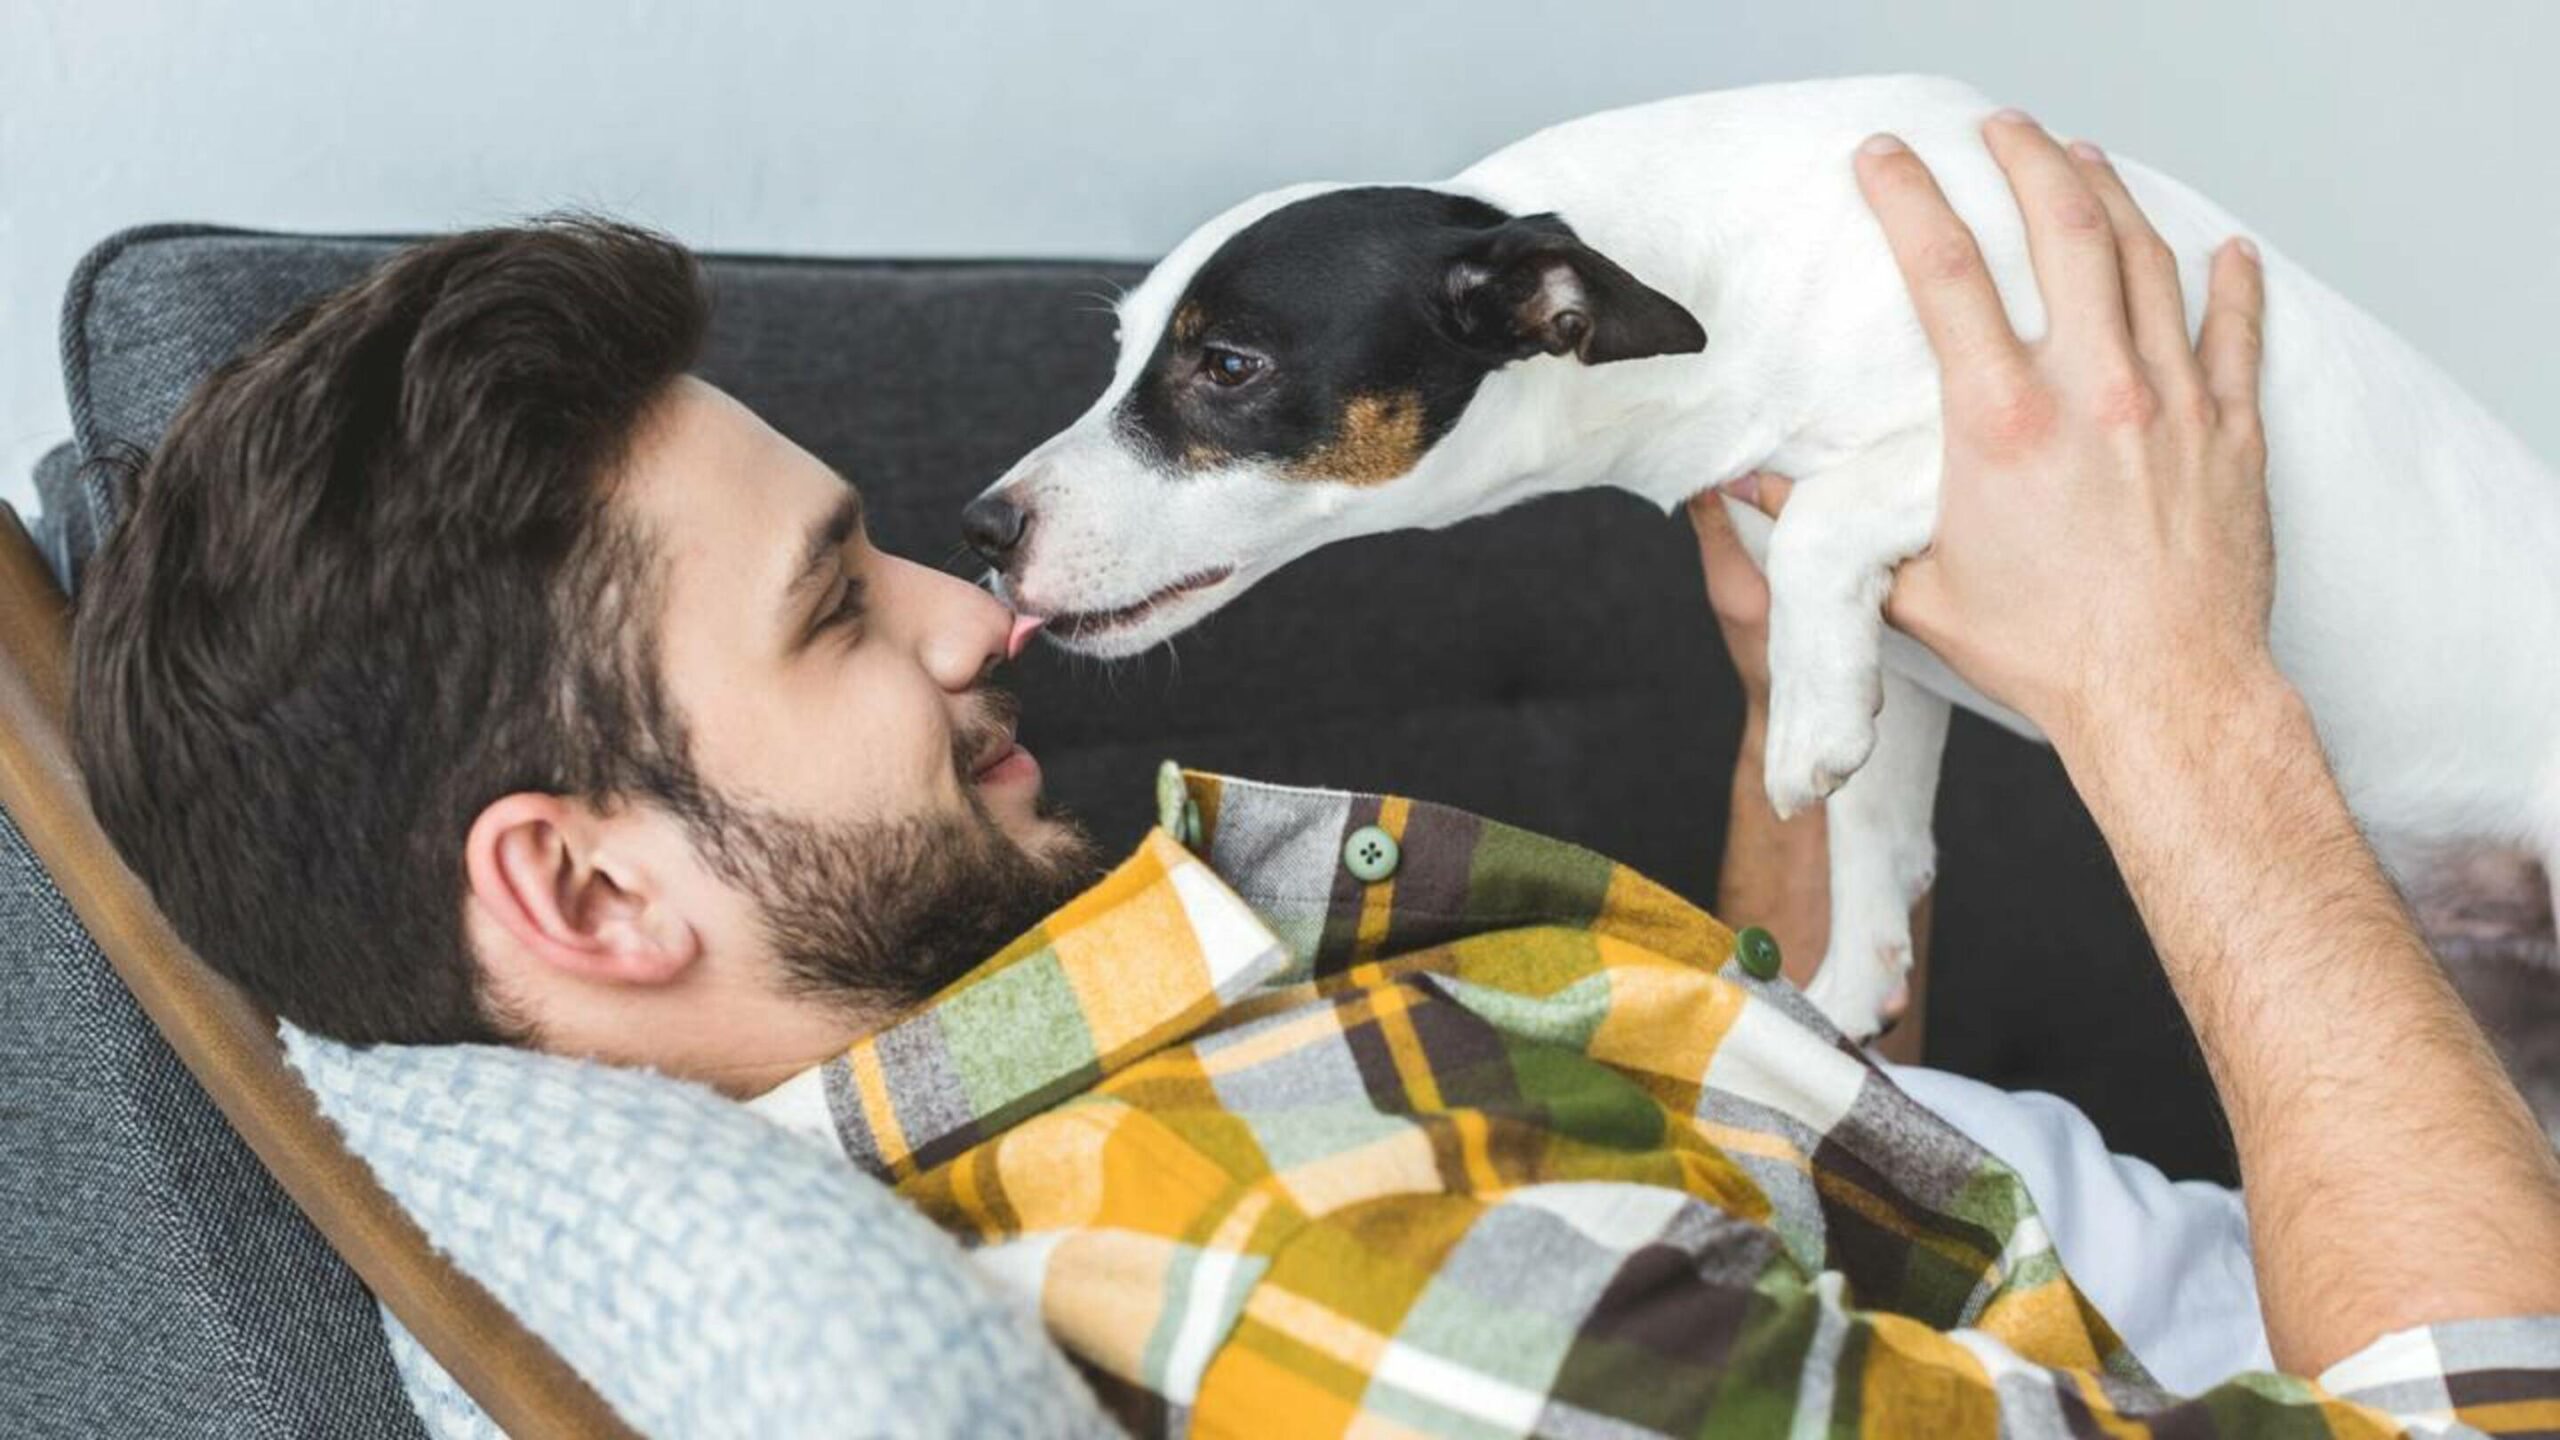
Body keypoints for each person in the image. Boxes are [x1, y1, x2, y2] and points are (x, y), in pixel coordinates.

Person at [69, 113, 2560, 1435]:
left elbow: (1804, 1163)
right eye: (836, 607)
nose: (970, 609)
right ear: (592, 900)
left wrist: (1808, 758)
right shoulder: (1298, 1271)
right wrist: (2174, 699)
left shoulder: (1111, 976)